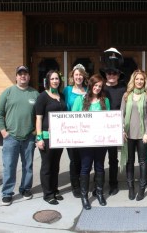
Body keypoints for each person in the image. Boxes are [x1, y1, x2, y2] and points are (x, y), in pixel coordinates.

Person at [0, 65, 39, 206]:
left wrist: (35, 133)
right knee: (9, 166)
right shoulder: (8, 92)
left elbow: (39, 115)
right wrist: (4, 132)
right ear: (16, 76)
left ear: (29, 76)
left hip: (28, 137)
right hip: (11, 137)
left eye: (25, 73)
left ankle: (25, 189)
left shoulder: (35, 94)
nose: (22, 76)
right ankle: (7, 193)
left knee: (28, 166)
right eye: (20, 74)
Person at [72, 74, 110, 210]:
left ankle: (99, 192)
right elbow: (73, 119)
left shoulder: (104, 100)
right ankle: (84, 196)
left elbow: (109, 119)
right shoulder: (80, 100)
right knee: (86, 167)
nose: (97, 88)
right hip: (86, 142)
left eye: (100, 86)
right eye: (95, 85)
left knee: (100, 166)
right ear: (90, 85)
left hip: (101, 141)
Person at [120, 69, 147, 201]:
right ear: (133, 80)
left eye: (142, 79)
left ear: (144, 81)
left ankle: (142, 189)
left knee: (143, 162)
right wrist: (122, 130)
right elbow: (121, 113)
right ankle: (131, 188)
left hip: (142, 135)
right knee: (130, 162)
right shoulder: (126, 95)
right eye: (137, 79)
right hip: (128, 134)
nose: (139, 81)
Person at [35, 70, 66, 205]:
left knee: (55, 165)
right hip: (47, 137)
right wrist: (39, 137)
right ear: (48, 81)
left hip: (59, 138)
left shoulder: (62, 96)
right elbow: (38, 118)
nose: (55, 81)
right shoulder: (42, 97)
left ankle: (54, 189)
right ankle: (48, 194)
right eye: (52, 79)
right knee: (47, 166)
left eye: (57, 79)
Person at [99, 47, 126, 196]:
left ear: (118, 75)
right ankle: (99, 184)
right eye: (109, 73)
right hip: (101, 128)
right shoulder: (100, 88)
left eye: (114, 73)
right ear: (105, 74)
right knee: (99, 159)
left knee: (113, 159)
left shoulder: (123, 88)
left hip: (115, 128)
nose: (111, 75)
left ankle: (113, 184)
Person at [62, 63, 88, 198]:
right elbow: (62, 107)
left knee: (84, 159)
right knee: (74, 159)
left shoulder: (88, 90)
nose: (78, 77)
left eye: (81, 75)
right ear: (73, 76)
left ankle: (83, 182)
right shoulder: (67, 90)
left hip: (85, 130)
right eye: (76, 74)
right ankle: (75, 185)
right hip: (71, 130)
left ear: (84, 76)